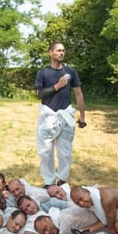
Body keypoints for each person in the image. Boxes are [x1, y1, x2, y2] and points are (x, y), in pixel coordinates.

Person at [35, 42, 86, 187]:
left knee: (65, 153)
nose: (61, 53)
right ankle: (49, 182)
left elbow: (78, 93)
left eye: (63, 51)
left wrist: (82, 116)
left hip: (66, 116)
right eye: (58, 50)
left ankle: (62, 180)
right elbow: (40, 94)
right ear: (50, 52)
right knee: (45, 153)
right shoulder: (43, 73)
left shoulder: (71, 71)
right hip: (48, 117)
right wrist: (58, 86)